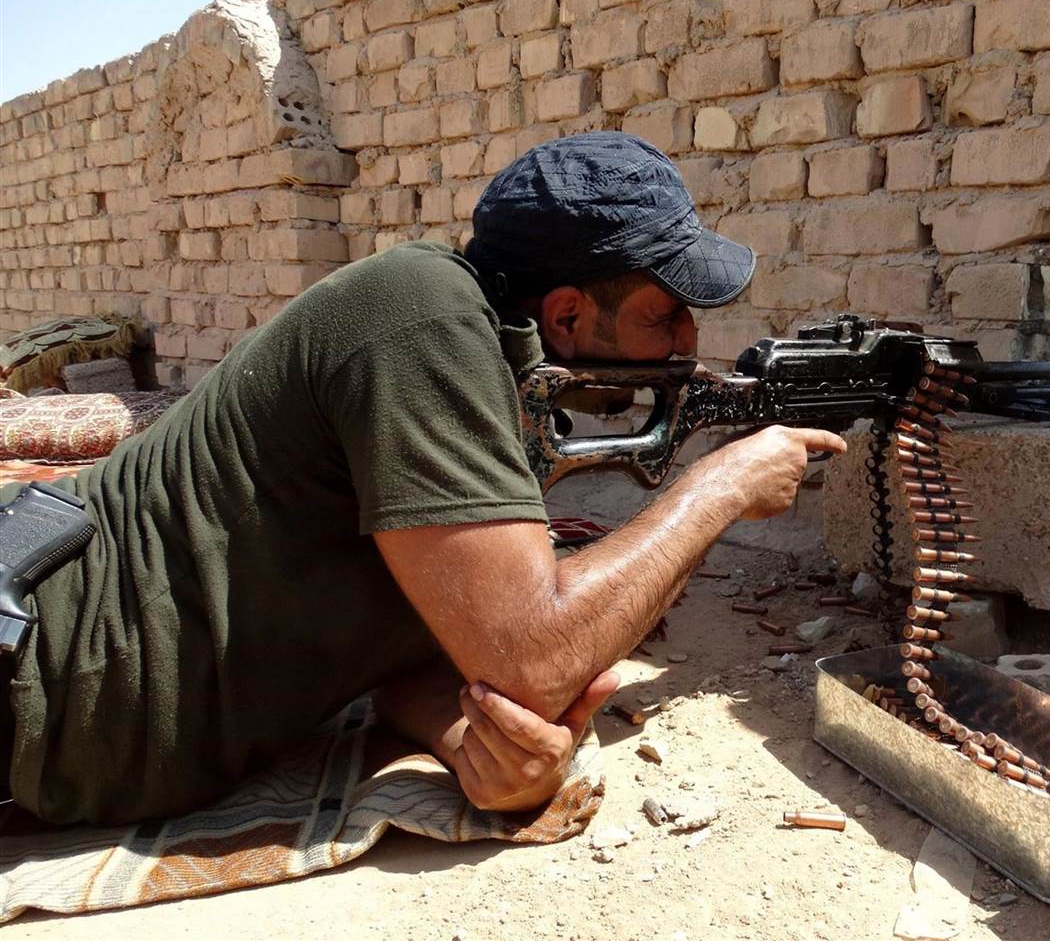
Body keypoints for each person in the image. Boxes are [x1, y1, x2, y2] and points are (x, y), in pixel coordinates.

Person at [1, 133, 846, 826]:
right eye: (664, 314)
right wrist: (718, 488)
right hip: (38, 660)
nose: (686, 343)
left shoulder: (483, 362)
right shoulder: (423, 316)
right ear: (565, 314)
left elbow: (418, 628)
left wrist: (472, 743)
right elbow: (533, 659)